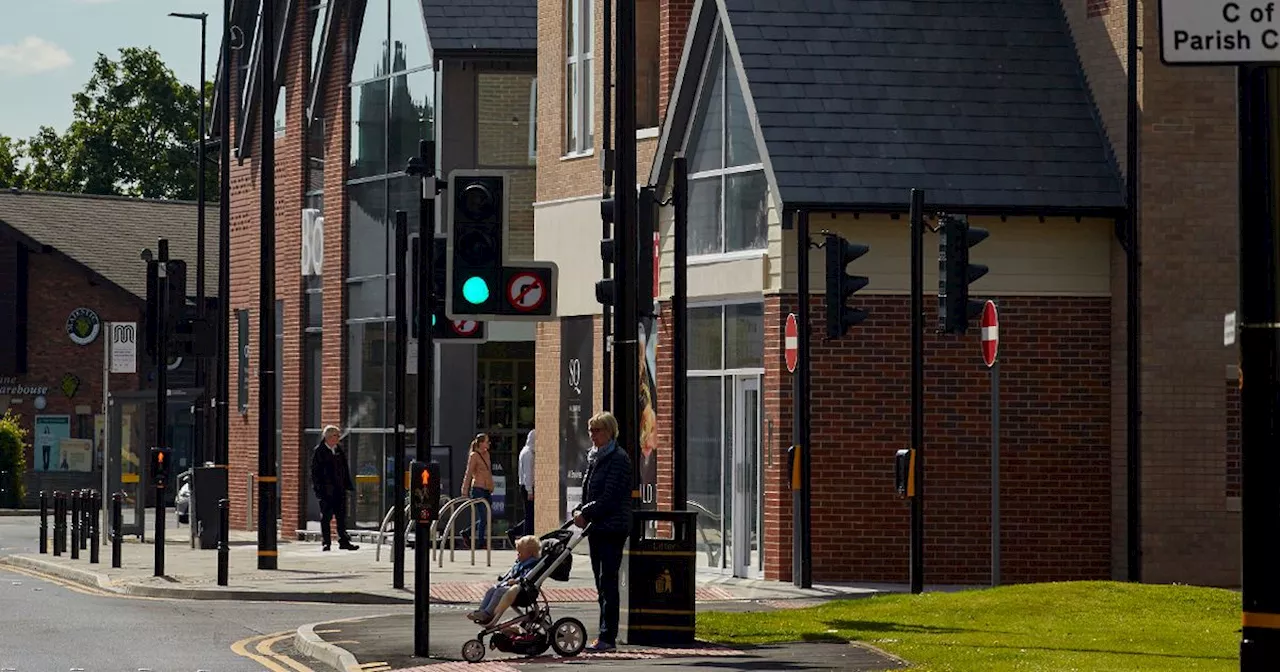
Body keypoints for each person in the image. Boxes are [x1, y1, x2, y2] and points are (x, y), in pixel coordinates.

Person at [572, 411, 633, 652]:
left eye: (597, 430)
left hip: (612, 527)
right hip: (597, 527)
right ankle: (604, 633)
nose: (593, 435)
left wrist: (585, 512)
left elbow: (610, 497)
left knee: (608, 581)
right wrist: (580, 509)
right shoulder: (594, 457)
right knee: (600, 582)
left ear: (610, 432)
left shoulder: (618, 459)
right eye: (591, 430)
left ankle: (608, 636)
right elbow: (589, 491)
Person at [467, 534, 542, 625]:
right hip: (512, 588)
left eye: (520, 553)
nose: (518, 555)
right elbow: (511, 574)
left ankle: (487, 613)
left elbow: (527, 577)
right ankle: (481, 611)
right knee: (492, 589)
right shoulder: (520, 562)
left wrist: (516, 581)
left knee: (500, 592)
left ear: (529, 554)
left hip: (523, 592)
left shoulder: (532, 564)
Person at [309, 425, 359, 551]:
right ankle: (326, 542)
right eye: (336, 435)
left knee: (341, 517)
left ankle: (344, 541)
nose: (338, 438)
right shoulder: (319, 451)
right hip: (326, 492)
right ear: (328, 437)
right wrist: (319, 491)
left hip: (339, 490)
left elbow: (344, 469)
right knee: (326, 518)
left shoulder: (338, 450)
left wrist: (348, 485)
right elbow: (315, 473)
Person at [460, 433, 495, 550]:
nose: (488, 443)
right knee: (483, 516)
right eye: (486, 441)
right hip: (478, 488)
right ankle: (481, 542)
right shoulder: (474, 455)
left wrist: (491, 486)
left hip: (486, 489)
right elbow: (468, 473)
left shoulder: (487, 455)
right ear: (480, 443)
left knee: (487, 517)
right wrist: (465, 490)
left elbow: (488, 472)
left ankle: (467, 532)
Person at [508, 429, 536, 544]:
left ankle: (516, 532)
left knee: (531, 514)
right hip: (527, 487)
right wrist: (530, 490)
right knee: (530, 515)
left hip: (526, 486)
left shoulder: (525, 451)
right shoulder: (528, 454)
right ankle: (525, 538)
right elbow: (528, 474)